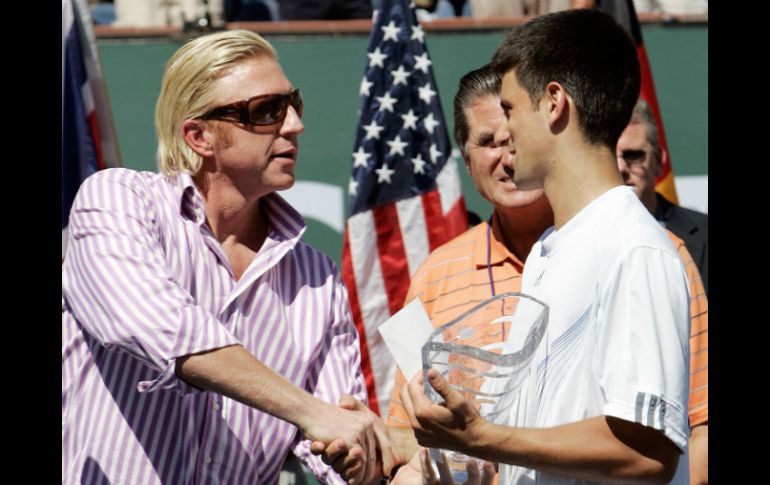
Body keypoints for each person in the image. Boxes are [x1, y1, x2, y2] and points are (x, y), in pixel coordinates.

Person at [61, 30, 394, 485]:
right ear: (199, 137)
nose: (294, 124)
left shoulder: (318, 277)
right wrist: (311, 411)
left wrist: (353, 457)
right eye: (267, 111)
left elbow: (340, 431)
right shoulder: (116, 198)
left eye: (293, 103)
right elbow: (161, 329)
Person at [400, 9, 692, 484]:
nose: (507, 135)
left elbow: (647, 451)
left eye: (511, 109)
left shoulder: (634, 248)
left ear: (553, 103)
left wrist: (483, 437)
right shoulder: (551, 250)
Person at [617, 97, 708, 297]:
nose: (621, 168)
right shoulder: (569, 237)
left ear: (658, 161)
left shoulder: (705, 235)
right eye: (609, 157)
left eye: (633, 155)